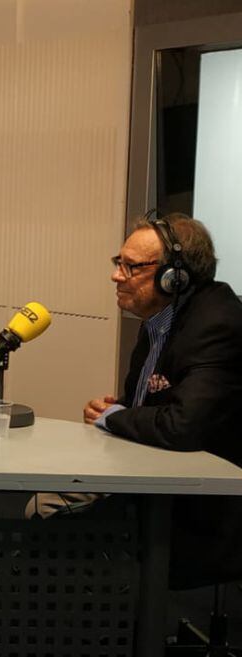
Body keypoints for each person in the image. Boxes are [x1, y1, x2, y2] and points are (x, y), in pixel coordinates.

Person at [38, 212, 242, 588]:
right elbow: (149, 403)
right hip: (156, 476)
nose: (117, 276)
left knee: (56, 537)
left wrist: (113, 416)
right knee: (42, 504)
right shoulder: (158, 319)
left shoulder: (217, 324)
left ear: (174, 277)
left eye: (131, 267)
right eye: (119, 263)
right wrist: (115, 410)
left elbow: (183, 425)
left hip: (201, 506)